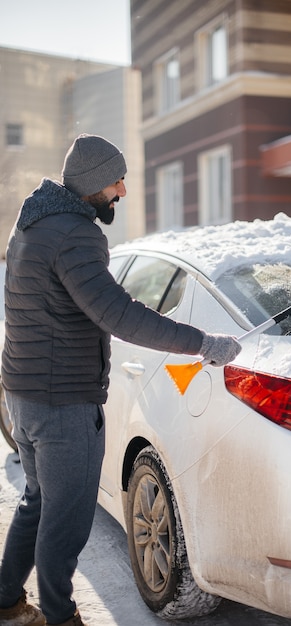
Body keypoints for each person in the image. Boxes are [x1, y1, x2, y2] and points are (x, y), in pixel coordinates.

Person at [0, 134, 241, 626]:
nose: (122, 191)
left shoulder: (31, 225)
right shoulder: (75, 234)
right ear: (92, 183)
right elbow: (119, 314)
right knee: (63, 524)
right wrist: (202, 342)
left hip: (24, 397)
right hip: (63, 403)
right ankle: (60, 616)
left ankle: (5, 601)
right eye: (116, 180)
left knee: (37, 503)